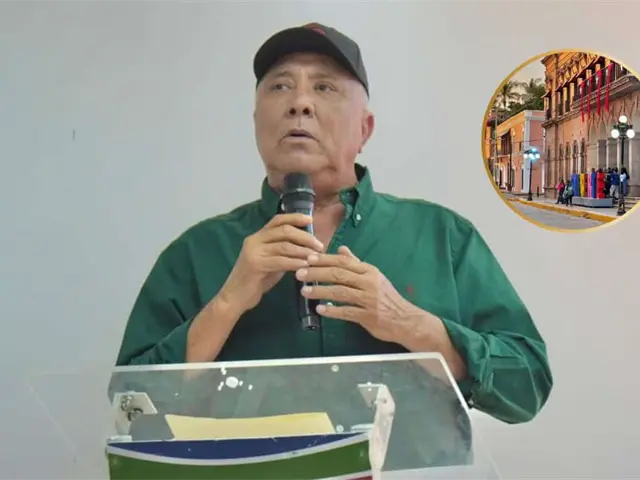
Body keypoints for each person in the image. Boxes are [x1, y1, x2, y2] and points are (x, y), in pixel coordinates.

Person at [114, 22, 552, 427]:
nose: (299, 103)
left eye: (324, 87)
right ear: (256, 123)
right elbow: (129, 410)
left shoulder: (442, 237)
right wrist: (227, 304)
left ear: (365, 129)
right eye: (280, 86)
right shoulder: (196, 253)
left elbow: (527, 385)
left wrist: (410, 323)